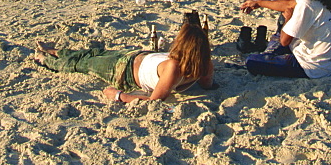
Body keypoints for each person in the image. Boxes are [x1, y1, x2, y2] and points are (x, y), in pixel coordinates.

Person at [34, 22, 215, 103]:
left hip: (123, 70)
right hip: (136, 57)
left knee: (83, 64)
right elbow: (207, 84)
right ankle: (54, 51)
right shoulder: (204, 64)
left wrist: (117, 95)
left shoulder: (174, 67)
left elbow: (154, 101)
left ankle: (45, 59)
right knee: (93, 53)